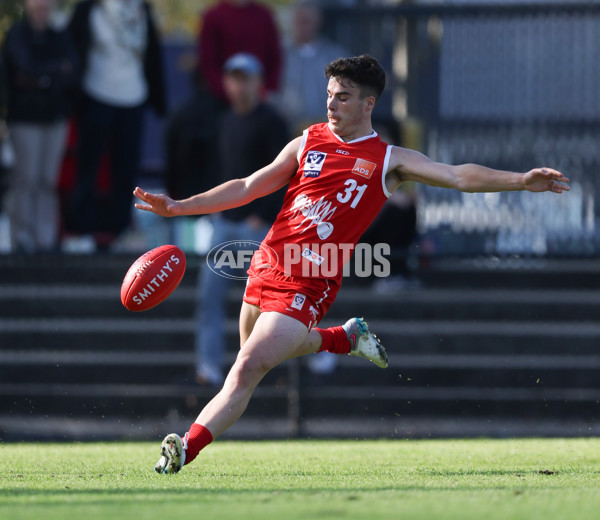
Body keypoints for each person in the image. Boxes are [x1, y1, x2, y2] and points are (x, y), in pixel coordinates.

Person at [133, 54, 569, 474]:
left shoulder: (388, 160)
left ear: (368, 103)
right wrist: (179, 207)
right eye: (328, 94)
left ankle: (184, 448)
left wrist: (520, 181)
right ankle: (343, 338)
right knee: (259, 358)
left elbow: (456, 175)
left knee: (247, 367)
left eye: (342, 96)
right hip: (267, 264)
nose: (331, 103)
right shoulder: (308, 140)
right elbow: (249, 186)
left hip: (311, 282)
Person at [194, 53, 289, 387]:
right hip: (224, 224)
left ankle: (265, 370)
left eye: (245, 78)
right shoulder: (225, 120)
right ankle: (208, 369)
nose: (239, 85)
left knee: (271, 304)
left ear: (259, 83)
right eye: (233, 78)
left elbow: (285, 176)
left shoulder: (274, 122)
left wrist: (260, 216)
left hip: (261, 228)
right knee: (209, 298)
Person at [64, 0, 165, 251]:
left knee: (126, 171)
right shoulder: (88, 8)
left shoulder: (143, 9)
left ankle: (122, 230)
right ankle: (81, 231)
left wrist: (159, 99)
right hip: (95, 93)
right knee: (88, 167)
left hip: (134, 97)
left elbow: (151, 54)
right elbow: (73, 45)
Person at [1, 0, 79, 252]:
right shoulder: (17, 35)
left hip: (54, 119)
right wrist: (53, 73)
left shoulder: (59, 36)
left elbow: (72, 72)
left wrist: (41, 77)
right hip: (25, 119)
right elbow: (22, 70)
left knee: (48, 180)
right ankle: (22, 238)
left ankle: (44, 239)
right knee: (26, 179)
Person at [279, 0, 348, 135]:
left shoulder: (334, 55)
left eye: (307, 21)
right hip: (288, 128)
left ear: (318, 22)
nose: (303, 26)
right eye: (299, 21)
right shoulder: (280, 54)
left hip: (327, 128)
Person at [197, 0, 282, 105]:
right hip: (222, 103)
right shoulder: (213, 16)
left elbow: (275, 57)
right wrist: (231, 93)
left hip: (260, 101)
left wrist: (265, 90)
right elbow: (208, 62)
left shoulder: (264, 15)